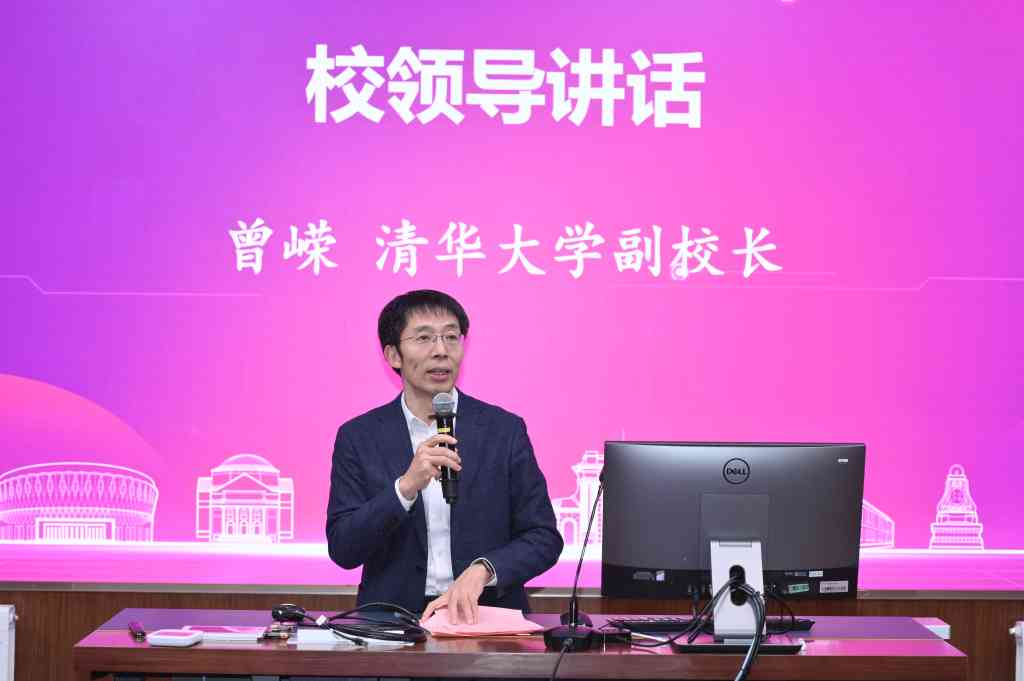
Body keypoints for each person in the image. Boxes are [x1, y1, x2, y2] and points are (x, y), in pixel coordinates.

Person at [326, 289, 563, 625]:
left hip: (485, 620)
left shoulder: (503, 430)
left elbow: (543, 537)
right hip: (393, 623)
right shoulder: (359, 437)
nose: (441, 350)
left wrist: (485, 570)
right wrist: (405, 488)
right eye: (424, 338)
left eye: (451, 337)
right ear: (393, 355)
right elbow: (343, 548)